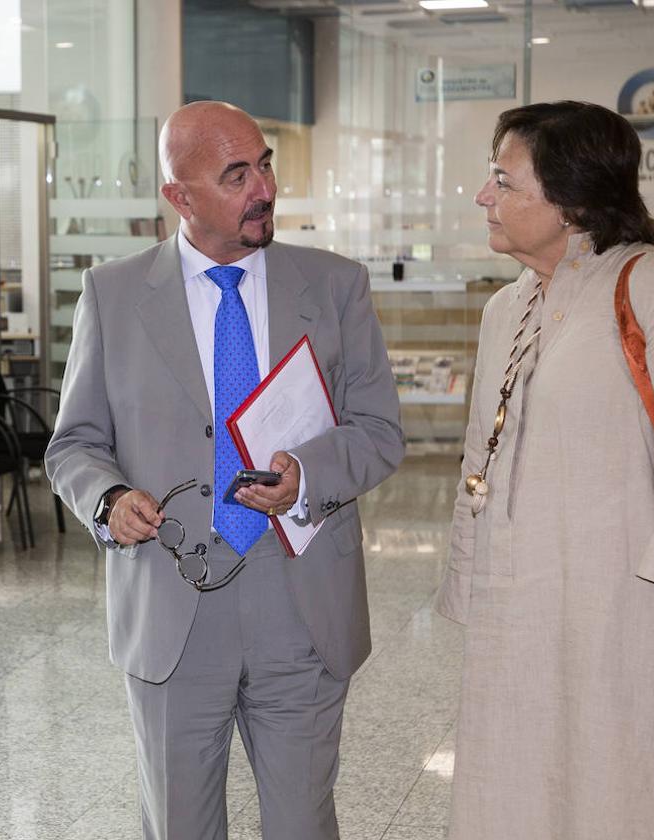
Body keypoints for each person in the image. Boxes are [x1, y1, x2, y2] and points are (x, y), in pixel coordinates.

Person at [45, 100, 404, 839]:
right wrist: (108, 498)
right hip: (174, 604)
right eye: (235, 175)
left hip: (300, 600)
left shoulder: (335, 287)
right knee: (179, 823)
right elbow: (74, 443)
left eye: (265, 164)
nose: (263, 188)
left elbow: (378, 432)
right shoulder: (113, 296)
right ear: (180, 196)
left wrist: (308, 472)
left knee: (303, 823)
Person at [436, 100, 654, 838]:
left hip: (632, 625)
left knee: (631, 795)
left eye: (503, 181)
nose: (483, 196)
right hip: (519, 626)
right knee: (519, 793)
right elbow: (481, 468)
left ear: (572, 200)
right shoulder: (506, 310)